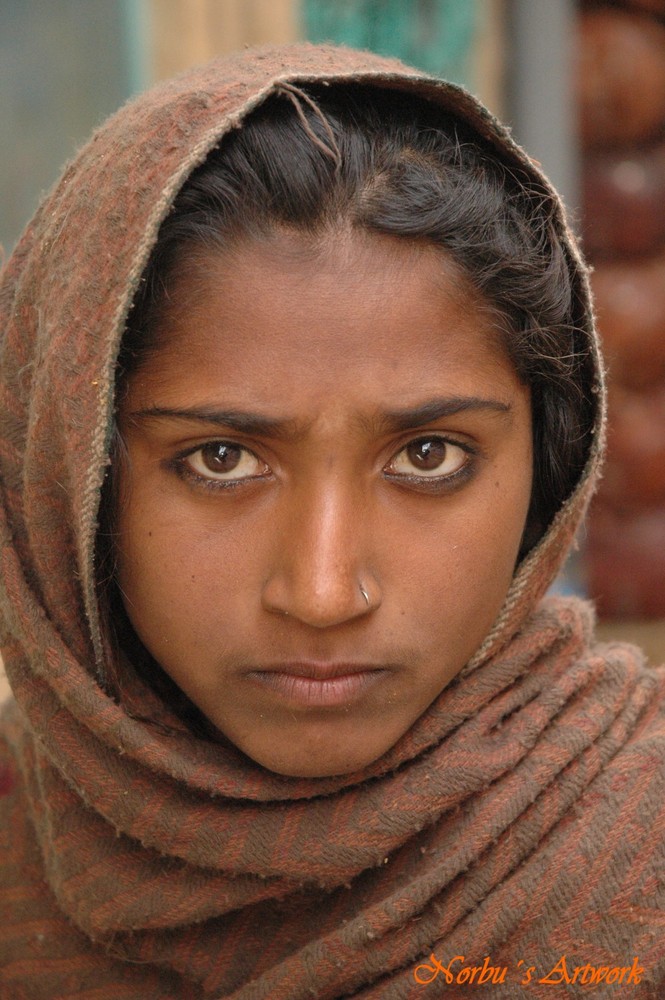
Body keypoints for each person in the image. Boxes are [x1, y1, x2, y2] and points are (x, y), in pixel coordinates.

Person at [0, 43, 662, 1000]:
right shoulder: (18, 827)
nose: (321, 593)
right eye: (219, 459)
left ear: (551, 465)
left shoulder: (635, 854)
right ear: (71, 472)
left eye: (427, 457)